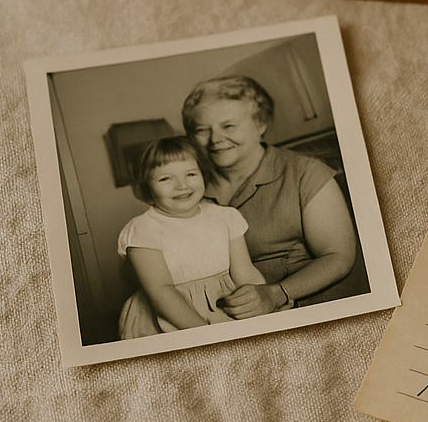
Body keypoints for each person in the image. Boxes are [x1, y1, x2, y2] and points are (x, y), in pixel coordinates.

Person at [181, 74, 357, 316]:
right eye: (202, 130)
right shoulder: (187, 189)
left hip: (307, 310)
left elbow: (338, 256)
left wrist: (276, 293)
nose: (216, 139)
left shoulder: (305, 173)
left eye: (228, 126)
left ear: (261, 124)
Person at [117, 136, 265, 338]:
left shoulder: (226, 217)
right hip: (172, 318)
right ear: (146, 188)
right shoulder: (143, 229)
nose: (181, 185)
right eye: (165, 179)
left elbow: (245, 272)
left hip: (223, 308)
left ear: (204, 175)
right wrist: (204, 334)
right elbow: (161, 292)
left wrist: (264, 303)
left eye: (191, 174)